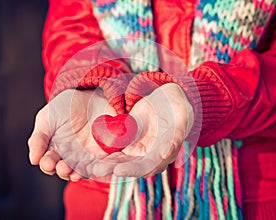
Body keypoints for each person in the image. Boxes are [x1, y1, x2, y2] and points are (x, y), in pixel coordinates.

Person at [28, 0, 276, 219]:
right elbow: (72, 28)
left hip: (250, 193)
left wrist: (203, 96)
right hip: (106, 193)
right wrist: (89, 85)